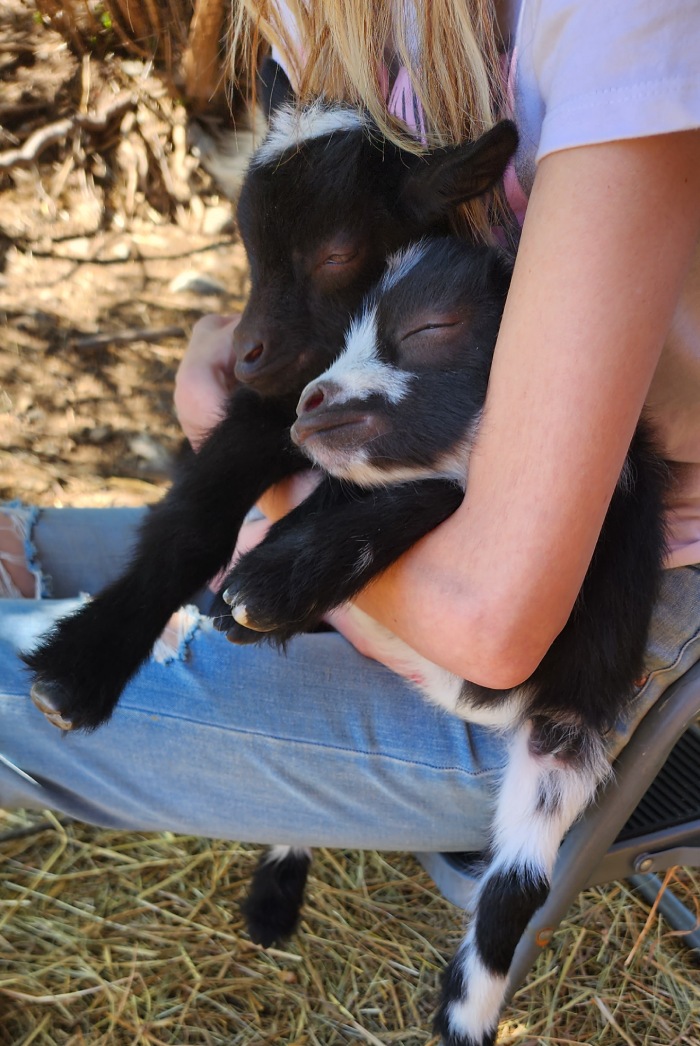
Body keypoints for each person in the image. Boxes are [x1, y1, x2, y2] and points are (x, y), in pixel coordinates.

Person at [1, 0, 699, 870]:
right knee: (14, 542)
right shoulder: (333, 18)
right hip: (402, 497)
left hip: (577, 652)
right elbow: (320, 271)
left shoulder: (622, 21)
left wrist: (253, 497)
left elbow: (491, 625)